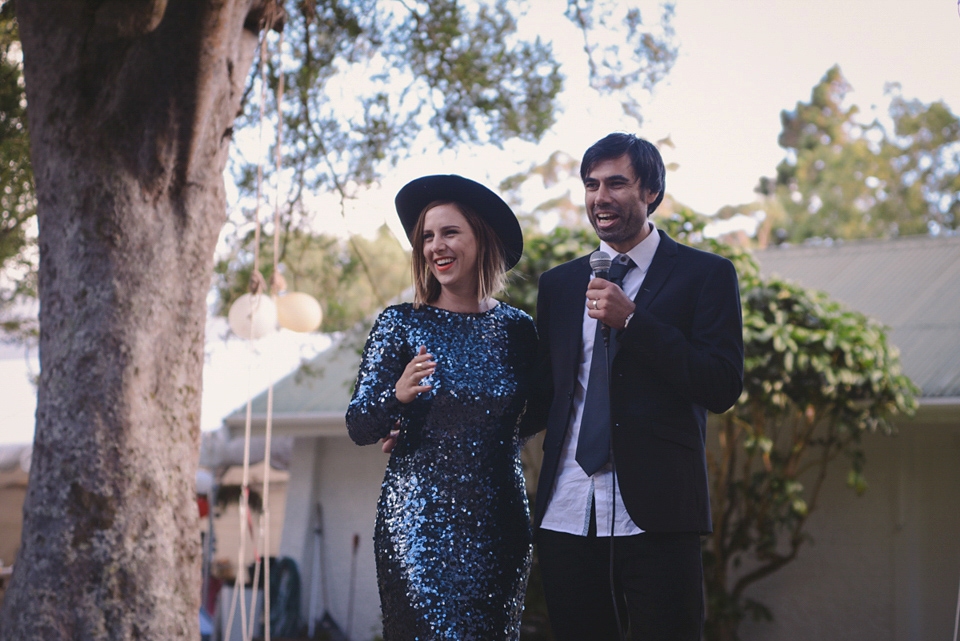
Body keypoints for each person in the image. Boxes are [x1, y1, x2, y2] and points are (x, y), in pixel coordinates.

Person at [523, 133, 744, 640]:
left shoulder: (706, 274)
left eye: (616, 183)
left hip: (658, 514)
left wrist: (634, 322)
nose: (600, 197)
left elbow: (721, 385)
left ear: (651, 192)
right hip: (567, 510)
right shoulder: (559, 284)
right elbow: (543, 396)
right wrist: (436, 429)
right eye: (591, 184)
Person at [346, 174, 537, 641]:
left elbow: (538, 414)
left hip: (500, 524)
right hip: (418, 525)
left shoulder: (519, 330)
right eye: (427, 237)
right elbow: (357, 424)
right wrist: (397, 398)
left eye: (450, 232)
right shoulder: (400, 323)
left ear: (481, 239)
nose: (436, 246)